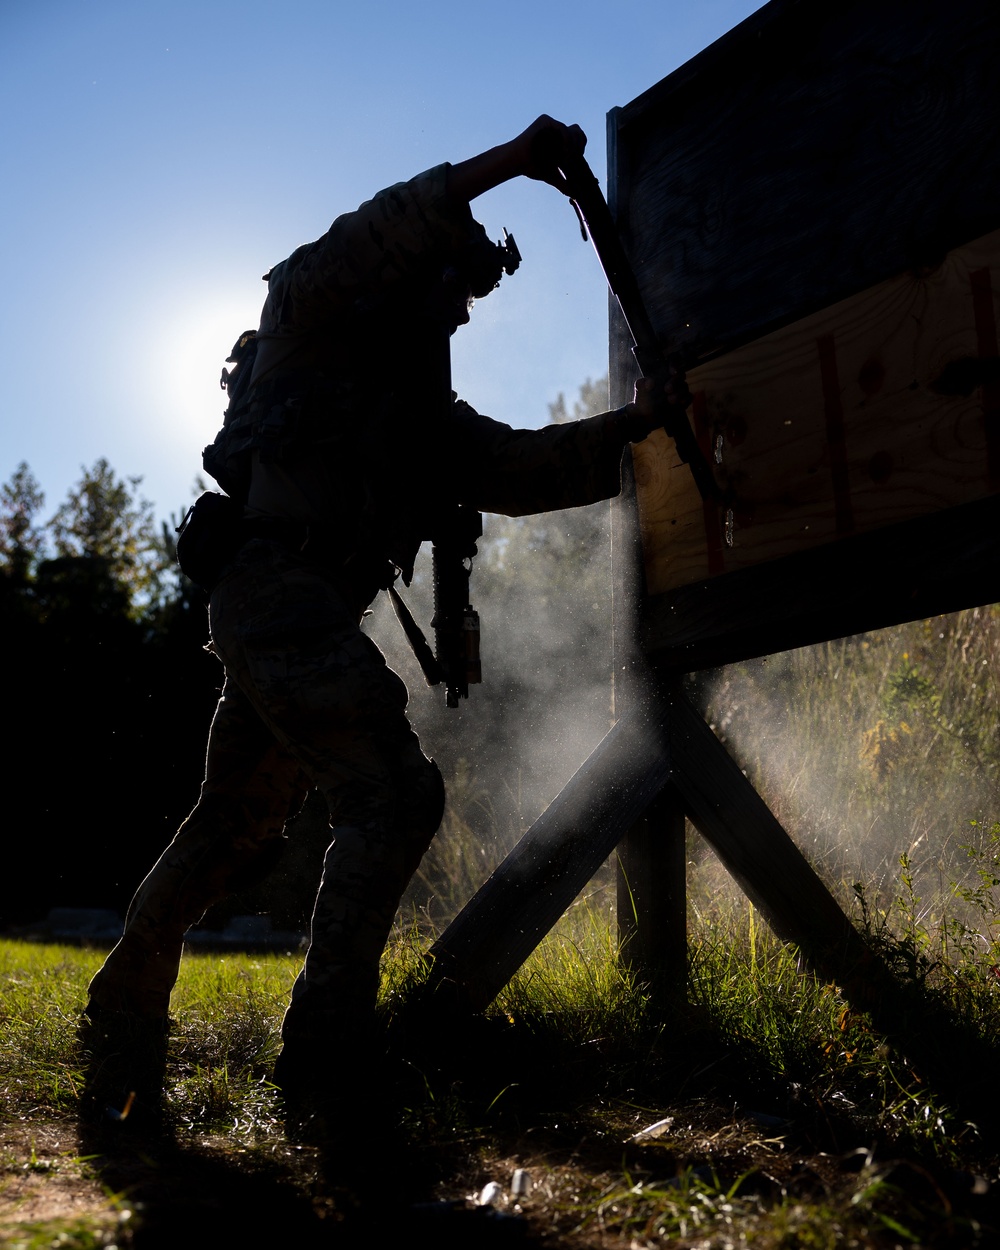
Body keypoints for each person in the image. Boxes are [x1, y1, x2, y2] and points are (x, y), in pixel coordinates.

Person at [81, 115, 685, 1134]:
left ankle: (120, 1014)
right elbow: (386, 223)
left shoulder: (418, 415)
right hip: (276, 593)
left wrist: (639, 424)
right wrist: (515, 158)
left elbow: (519, 467)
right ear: (409, 279)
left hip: (293, 613)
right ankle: (325, 1056)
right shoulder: (311, 313)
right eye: (449, 292)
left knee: (233, 821)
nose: (456, 316)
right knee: (396, 793)